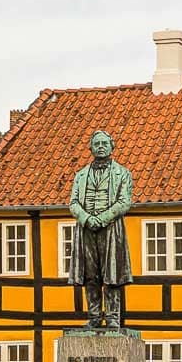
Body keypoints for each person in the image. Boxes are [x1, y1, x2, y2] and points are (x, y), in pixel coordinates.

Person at [68, 130, 133, 328]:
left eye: (105, 143)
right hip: (86, 230)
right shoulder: (80, 176)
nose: (101, 146)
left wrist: (102, 218)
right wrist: (87, 218)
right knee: (90, 275)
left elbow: (124, 202)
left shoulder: (123, 174)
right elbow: (73, 203)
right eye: (97, 144)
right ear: (91, 148)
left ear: (112, 147)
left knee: (112, 274)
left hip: (111, 229)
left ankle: (113, 317)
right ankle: (94, 317)